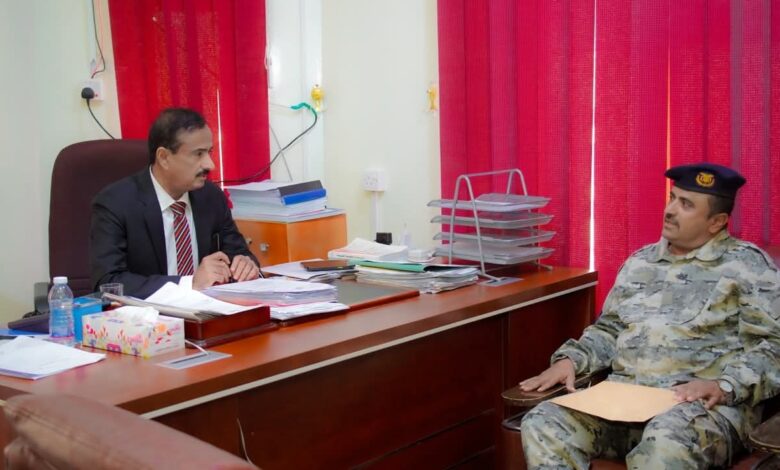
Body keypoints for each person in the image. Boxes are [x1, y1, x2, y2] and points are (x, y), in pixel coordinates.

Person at [519, 163, 780, 469]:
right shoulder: (640, 262)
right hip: (623, 402)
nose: (670, 210)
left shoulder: (748, 266)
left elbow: (773, 347)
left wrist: (724, 385)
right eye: (672, 198)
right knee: (543, 421)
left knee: (665, 441)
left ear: (716, 222)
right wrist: (571, 361)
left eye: (686, 205)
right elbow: (610, 329)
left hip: (698, 411)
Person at [90, 108, 260, 298]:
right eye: (198, 154)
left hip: (209, 310)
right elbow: (108, 282)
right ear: (164, 157)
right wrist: (189, 284)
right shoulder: (115, 203)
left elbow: (238, 253)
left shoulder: (211, 197)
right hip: (149, 313)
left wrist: (245, 264)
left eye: (209, 152)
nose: (210, 164)